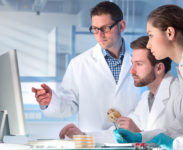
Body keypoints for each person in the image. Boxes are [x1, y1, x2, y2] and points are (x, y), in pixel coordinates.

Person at [32, 1, 140, 138]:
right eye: (95, 29)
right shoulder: (79, 64)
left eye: (106, 28)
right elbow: (69, 104)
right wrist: (50, 101)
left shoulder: (142, 59)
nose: (99, 35)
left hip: (135, 141)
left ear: (122, 26)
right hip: (93, 142)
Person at [114, 4, 183, 150]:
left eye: (151, 35)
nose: (148, 44)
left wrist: (175, 145)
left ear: (170, 33)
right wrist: (142, 137)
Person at [117, 36, 181, 133]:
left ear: (159, 68)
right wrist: (88, 136)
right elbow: (127, 127)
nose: (131, 71)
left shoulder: (179, 93)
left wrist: (139, 134)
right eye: (132, 63)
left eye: (139, 64)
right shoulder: (146, 97)